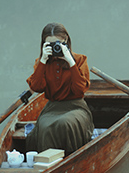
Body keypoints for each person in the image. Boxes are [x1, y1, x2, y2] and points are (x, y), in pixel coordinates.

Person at [25, 23, 94, 156]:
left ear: (66, 40)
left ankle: (70, 158)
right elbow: (36, 87)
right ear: (44, 44)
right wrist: (43, 60)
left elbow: (80, 90)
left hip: (76, 107)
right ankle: (49, 162)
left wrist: (70, 61)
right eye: (49, 44)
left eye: (58, 43)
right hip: (52, 108)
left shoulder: (79, 60)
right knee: (45, 127)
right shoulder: (42, 63)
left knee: (65, 123)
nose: (54, 47)